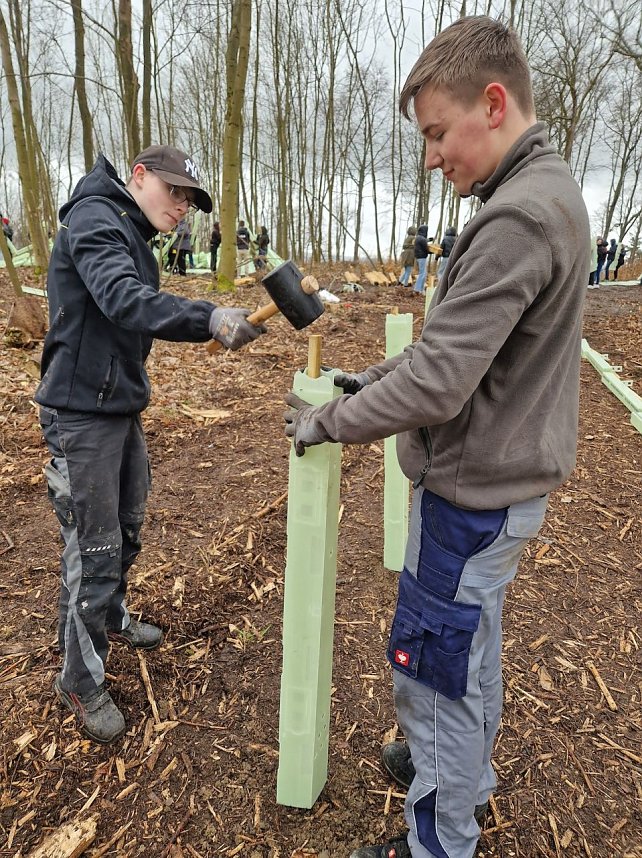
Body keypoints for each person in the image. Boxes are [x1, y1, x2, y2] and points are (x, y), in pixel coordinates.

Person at [283, 16, 589, 858]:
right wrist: (366, 383)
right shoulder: (547, 192)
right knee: (471, 653)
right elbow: (455, 353)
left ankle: (438, 841)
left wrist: (327, 423)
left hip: (467, 498)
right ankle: (464, 779)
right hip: (502, 489)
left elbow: (442, 380)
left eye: (436, 133)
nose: (430, 158)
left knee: (435, 677)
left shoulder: (515, 219)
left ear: (492, 104)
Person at [35, 144, 266, 744]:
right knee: (94, 548)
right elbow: (123, 298)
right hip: (80, 415)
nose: (183, 208)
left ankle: (108, 617)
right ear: (138, 177)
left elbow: (126, 314)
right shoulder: (92, 221)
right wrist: (208, 317)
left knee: (127, 528)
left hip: (117, 408)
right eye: (175, 192)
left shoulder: (129, 231)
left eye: (190, 199)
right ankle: (80, 681)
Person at [413, 224, 429, 294]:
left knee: (423, 273)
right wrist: (430, 252)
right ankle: (417, 289)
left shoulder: (418, 237)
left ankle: (421, 289)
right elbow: (426, 248)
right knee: (422, 273)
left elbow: (424, 242)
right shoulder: (422, 238)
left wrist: (429, 240)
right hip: (422, 257)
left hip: (419, 257)